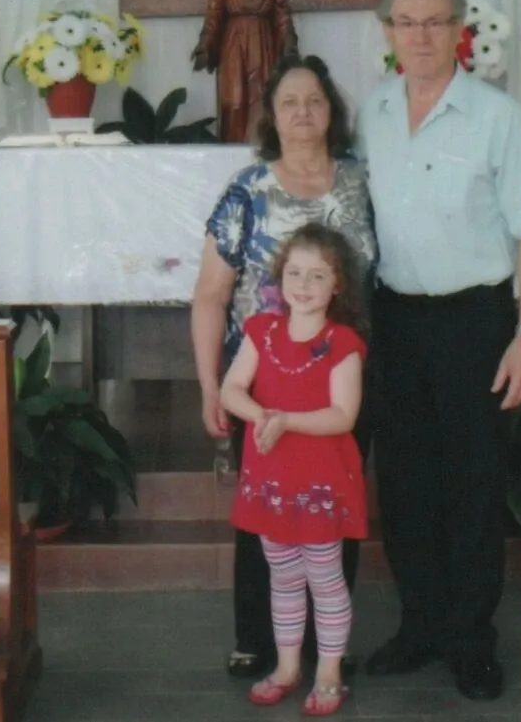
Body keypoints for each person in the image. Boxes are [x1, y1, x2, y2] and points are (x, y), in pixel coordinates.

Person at [355, 0, 521, 701]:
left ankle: (472, 638)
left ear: (459, 29)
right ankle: (421, 627)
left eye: (435, 22)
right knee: (406, 484)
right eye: (405, 22)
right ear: (387, 33)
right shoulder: (372, 111)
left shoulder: (497, 115)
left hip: (477, 319)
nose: (419, 36)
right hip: (397, 321)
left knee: (471, 483)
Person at [192, 55, 376, 680]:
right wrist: (209, 386)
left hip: (341, 376)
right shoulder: (247, 190)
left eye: (315, 101)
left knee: (334, 506)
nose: (302, 112)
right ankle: (257, 638)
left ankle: (331, 645)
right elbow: (211, 296)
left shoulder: (361, 182)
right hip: (263, 382)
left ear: (332, 112)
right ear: (272, 115)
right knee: (262, 508)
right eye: (289, 101)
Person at [220, 223, 367, 717]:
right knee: (282, 575)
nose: (303, 284)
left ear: (337, 285)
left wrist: (287, 422)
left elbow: (343, 415)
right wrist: (262, 416)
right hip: (272, 480)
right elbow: (231, 388)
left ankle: (329, 670)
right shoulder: (261, 331)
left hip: (318, 479)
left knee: (324, 576)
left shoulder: (342, 344)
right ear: (280, 277)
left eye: (318, 275)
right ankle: (287, 667)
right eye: (295, 272)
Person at [192, 0, 298, 145]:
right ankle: (233, 145)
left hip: (263, 42)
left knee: (262, 95)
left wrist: (289, 43)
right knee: (235, 98)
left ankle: (263, 147)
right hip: (234, 43)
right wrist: (206, 43)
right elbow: (215, 12)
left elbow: (282, 12)